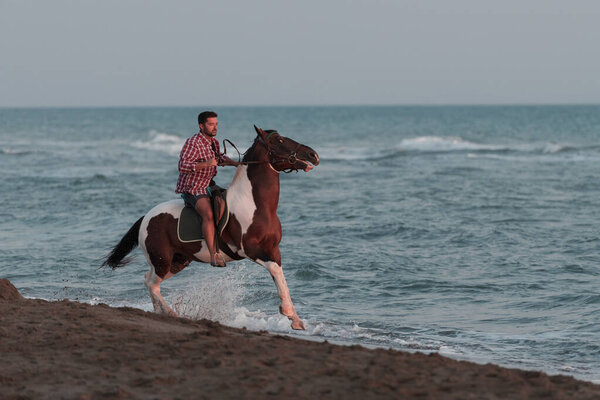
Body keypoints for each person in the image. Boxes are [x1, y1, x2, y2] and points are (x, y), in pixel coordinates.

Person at [176, 111, 239, 267]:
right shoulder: (193, 142)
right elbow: (182, 166)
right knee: (209, 214)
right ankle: (213, 255)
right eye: (211, 124)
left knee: (231, 202)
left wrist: (237, 164)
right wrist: (206, 164)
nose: (214, 127)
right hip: (193, 186)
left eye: (216, 124)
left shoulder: (214, 142)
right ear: (201, 125)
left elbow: (219, 159)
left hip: (209, 184)